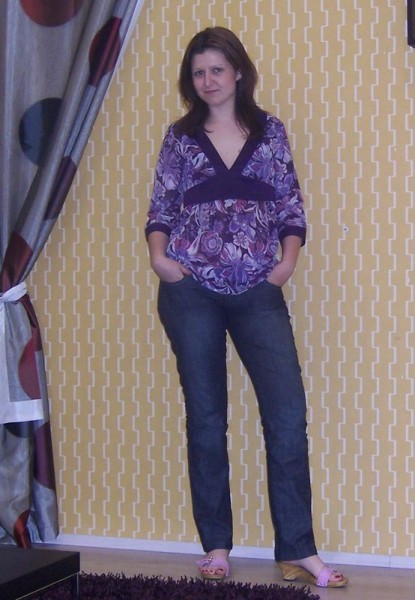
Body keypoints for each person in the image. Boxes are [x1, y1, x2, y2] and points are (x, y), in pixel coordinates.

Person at [145, 26, 348, 589]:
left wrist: (287, 263)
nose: (208, 80)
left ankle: (299, 550)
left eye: (217, 69)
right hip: (191, 292)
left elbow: (290, 206)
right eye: (198, 72)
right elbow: (161, 206)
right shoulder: (181, 137)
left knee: (286, 416)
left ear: (238, 72)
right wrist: (161, 259)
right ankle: (216, 545)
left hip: (259, 288)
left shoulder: (269, 131)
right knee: (207, 419)